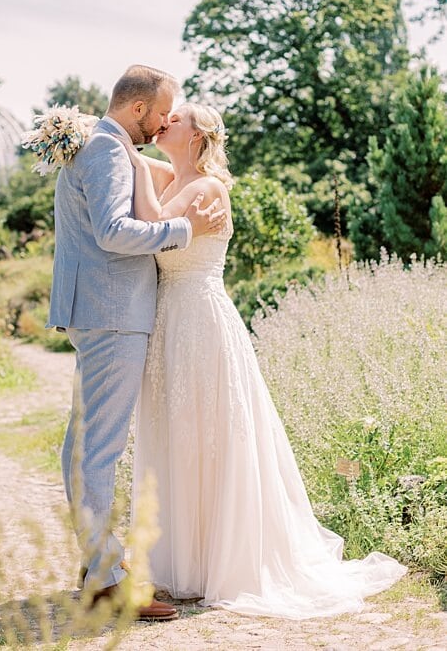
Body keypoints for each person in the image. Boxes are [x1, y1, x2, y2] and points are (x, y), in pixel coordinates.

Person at [124, 102, 406, 618]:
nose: (165, 122)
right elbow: (138, 162)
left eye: (177, 118)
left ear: (198, 135)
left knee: (208, 435)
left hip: (200, 321)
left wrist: (136, 161)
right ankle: (183, 560)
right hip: (169, 321)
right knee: (175, 434)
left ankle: (221, 561)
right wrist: (106, 139)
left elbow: (154, 223)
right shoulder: (171, 176)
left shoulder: (206, 188)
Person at [47, 64, 228, 622]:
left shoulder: (107, 145)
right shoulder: (104, 149)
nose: (164, 123)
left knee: (86, 444)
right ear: (139, 109)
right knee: (97, 449)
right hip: (113, 313)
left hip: (104, 311)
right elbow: (113, 232)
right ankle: (106, 579)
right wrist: (185, 231)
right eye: (162, 112)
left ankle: (98, 565)